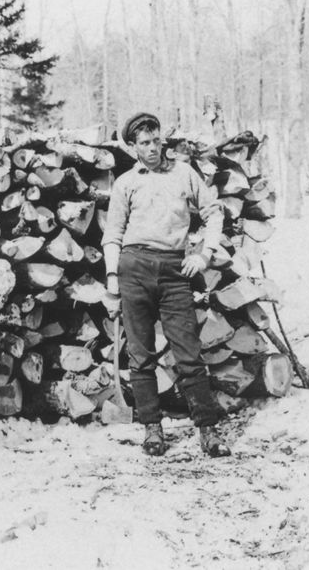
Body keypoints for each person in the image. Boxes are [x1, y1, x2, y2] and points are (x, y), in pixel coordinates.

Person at [101, 112, 232, 458]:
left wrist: (203, 256)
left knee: (188, 353)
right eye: (144, 143)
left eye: (156, 140)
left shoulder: (183, 173)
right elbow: (112, 235)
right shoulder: (125, 183)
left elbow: (214, 212)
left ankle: (208, 429)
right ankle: (152, 429)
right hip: (134, 268)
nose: (153, 148)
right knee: (140, 356)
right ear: (133, 147)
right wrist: (113, 282)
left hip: (175, 271)